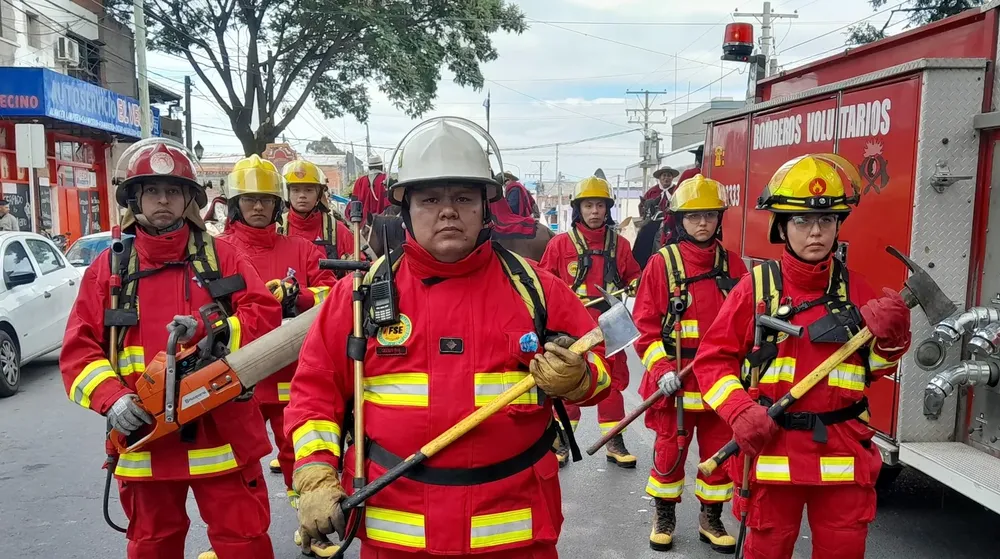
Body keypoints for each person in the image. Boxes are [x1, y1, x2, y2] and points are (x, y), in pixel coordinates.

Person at [284, 117, 612, 559]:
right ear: (405, 208)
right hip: (396, 537)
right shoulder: (360, 297)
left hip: (512, 536)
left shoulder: (536, 289)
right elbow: (314, 394)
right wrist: (315, 474)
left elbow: (602, 372)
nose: (448, 211)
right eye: (430, 199)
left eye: (463, 198)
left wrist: (578, 379)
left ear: (485, 206)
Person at [59, 138, 283, 559]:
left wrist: (209, 328)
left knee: (244, 542)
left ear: (189, 200)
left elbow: (264, 316)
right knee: (153, 545)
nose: (163, 200)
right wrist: (113, 399)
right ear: (134, 199)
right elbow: (79, 351)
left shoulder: (222, 257)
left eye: (173, 191)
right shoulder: (109, 270)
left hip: (222, 431)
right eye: (152, 190)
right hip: (145, 436)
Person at [692, 154, 912, 559]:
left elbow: (874, 369)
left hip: (843, 453)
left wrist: (893, 341)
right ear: (781, 227)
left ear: (838, 225)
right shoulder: (755, 289)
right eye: (802, 221)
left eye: (826, 220)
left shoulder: (858, 289)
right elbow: (713, 361)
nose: (815, 232)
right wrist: (739, 411)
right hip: (774, 449)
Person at [218, 155, 337, 547]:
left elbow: (330, 295)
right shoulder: (217, 252)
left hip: (291, 374)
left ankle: (312, 528)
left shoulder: (301, 249)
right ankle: (233, 540)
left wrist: (297, 295)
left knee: (297, 457)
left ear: (276, 205)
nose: (258, 207)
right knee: (233, 467)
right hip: (238, 378)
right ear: (235, 204)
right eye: (250, 199)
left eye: (266, 200)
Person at [631, 175, 747, 553]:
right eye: (694, 216)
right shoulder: (662, 264)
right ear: (680, 220)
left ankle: (711, 518)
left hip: (720, 379)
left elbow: (749, 323)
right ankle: (664, 515)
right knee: (670, 451)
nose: (702, 223)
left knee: (719, 452)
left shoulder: (733, 264)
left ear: (719, 218)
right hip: (676, 380)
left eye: (709, 215)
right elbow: (645, 327)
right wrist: (662, 370)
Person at [540, 176, 641, 468]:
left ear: (607, 208)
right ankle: (561, 442)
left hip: (610, 325)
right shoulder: (560, 244)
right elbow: (543, 283)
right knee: (568, 382)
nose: (594, 211)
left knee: (613, 385)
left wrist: (636, 283)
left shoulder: (621, 245)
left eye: (599, 205)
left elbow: (634, 275)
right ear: (578, 209)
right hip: (573, 326)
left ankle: (614, 442)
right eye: (588, 206)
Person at [280, 159, 358, 261]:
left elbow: (359, 264)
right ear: (287, 193)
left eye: (309, 190)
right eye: (296, 190)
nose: (302, 195)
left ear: (319, 194)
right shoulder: (277, 228)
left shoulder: (338, 230)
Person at [351, 154, 391, 224]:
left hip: (364, 224)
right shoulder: (386, 180)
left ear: (369, 167)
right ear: (381, 166)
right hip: (383, 223)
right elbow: (390, 203)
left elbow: (354, 204)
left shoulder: (359, 182)